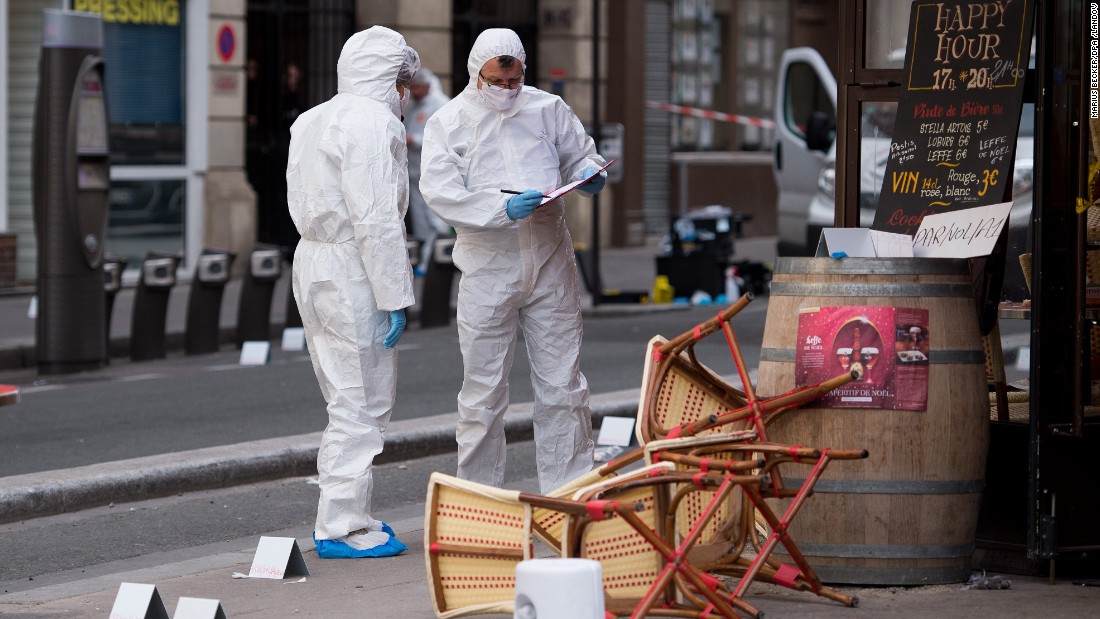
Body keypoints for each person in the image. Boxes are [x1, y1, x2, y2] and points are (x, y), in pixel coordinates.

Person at [420, 28, 608, 494]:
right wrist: (499, 210)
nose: (505, 91)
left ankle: (570, 495)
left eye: (513, 81)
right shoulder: (448, 122)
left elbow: (582, 155)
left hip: (550, 259)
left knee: (564, 387)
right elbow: (440, 193)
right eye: (495, 81)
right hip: (488, 265)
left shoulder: (547, 109)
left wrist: (587, 174)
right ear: (474, 73)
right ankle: (480, 502)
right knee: (483, 394)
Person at [286, 25, 419, 559]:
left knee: (343, 393)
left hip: (311, 259)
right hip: (352, 268)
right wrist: (395, 296)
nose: (407, 91)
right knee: (361, 404)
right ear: (390, 78)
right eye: (403, 80)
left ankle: (350, 510)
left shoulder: (310, 118)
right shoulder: (374, 122)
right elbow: (376, 218)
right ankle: (341, 525)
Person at [402, 68, 452, 273]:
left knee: (434, 217)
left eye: (416, 87)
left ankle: (438, 259)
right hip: (415, 171)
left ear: (426, 85)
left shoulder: (440, 104)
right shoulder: (417, 106)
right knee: (419, 218)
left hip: (432, 172)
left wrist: (414, 140)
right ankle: (423, 260)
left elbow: (443, 139)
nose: (413, 91)